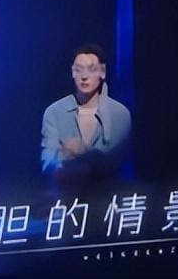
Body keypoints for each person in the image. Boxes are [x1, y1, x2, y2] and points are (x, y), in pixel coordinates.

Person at [41, 44, 132, 195]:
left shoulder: (119, 113)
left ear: (102, 72)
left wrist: (81, 152)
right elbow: (47, 161)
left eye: (91, 69)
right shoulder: (54, 112)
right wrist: (61, 163)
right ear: (72, 73)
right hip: (66, 197)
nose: (84, 76)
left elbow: (115, 161)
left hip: (109, 198)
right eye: (78, 70)